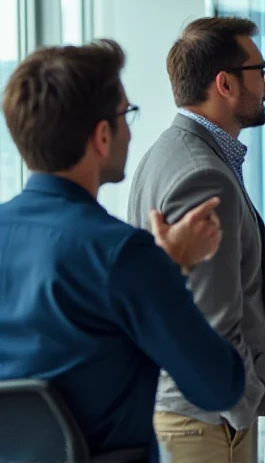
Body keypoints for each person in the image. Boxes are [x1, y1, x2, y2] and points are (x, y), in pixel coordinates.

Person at [0, 40, 245, 459]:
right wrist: (168, 268)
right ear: (101, 135)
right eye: (126, 115)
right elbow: (218, 385)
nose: (130, 131)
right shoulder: (122, 253)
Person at [128, 17, 265, 463]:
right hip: (208, 420)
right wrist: (243, 407)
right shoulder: (203, 175)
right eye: (261, 72)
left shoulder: (169, 150)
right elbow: (214, 318)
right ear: (225, 84)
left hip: (190, 411)